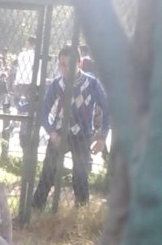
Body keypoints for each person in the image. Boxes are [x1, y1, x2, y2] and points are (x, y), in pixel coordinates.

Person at [32, 44, 110, 209]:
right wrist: (52, 133)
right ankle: (36, 208)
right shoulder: (57, 84)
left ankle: (81, 212)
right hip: (60, 132)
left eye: (69, 64)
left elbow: (107, 109)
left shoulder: (92, 84)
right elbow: (43, 112)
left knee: (80, 175)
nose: (64, 68)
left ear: (79, 63)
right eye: (61, 64)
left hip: (83, 134)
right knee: (48, 171)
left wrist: (102, 137)